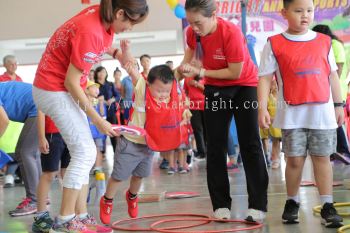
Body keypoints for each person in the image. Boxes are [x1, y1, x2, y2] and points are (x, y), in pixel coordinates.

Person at [32, 0, 149, 232]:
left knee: (86, 153)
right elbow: (71, 82)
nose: (130, 28)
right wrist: (98, 119)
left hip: (58, 88)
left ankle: (81, 216)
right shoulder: (91, 29)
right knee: (85, 152)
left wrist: (118, 53)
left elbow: (96, 45)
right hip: (53, 90)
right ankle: (65, 221)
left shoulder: (100, 15)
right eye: (131, 22)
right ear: (120, 13)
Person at [177, 0, 269, 221]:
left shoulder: (231, 33)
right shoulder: (193, 33)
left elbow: (234, 72)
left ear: (214, 15)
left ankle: (257, 205)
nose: (194, 28)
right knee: (215, 145)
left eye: (198, 22)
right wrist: (170, 77)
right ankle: (220, 205)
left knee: (250, 143)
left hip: (243, 86)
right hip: (216, 88)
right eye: (191, 23)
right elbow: (186, 64)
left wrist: (201, 73)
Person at [258, 0, 344, 228]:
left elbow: (333, 76)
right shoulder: (274, 43)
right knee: (294, 160)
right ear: (284, 13)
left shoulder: (325, 42)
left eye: (309, 11)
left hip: (322, 115)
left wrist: (339, 105)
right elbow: (265, 78)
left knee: (322, 158)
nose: (305, 16)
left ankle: (327, 205)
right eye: (298, 11)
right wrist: (262, 106)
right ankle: (292, 201)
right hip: (291, 114)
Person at [99, 64, 190, 224]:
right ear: (148, 85)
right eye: (159, 91)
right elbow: (133, 72)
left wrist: (184, 114)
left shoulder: (171, 96)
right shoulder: (142, 90)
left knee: (140, 175)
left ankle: (132, 196)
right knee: (119, 176)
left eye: (166, 91)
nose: (163, 94)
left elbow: (177, 83)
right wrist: (125, 53)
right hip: (131, 143)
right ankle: (107, 200)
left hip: (149, 145)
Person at [0, 82, 41, 217]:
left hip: (37, 106)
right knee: (32, 153)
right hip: (39, 103)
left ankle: (34, 201)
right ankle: (41, 196)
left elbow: (3, 121)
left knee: (25, 152)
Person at [312, 24, 350, 164]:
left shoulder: (334, 44)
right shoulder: (327, 44)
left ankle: (344, 150)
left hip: (335, 90)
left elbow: (338, 69)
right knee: (331, 121)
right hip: (327, 89)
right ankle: (335, 151)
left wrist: (330, 89)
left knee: (337, 120)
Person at [32, 113, 71, 232]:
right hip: (53, 134)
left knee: (68, 173)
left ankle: (67, 214)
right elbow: (40, 111)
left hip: (70, 133)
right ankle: (40, 216)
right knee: (49, 173)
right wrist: (42, 137)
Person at [94, 66, 121, 152]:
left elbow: (118, 96)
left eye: (104, 72)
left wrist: (112, 100)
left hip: (111, 112)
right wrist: (101, 101)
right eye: (100, 72)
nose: (102, 74)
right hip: (98, 114)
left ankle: (115, 152)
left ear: (106, 74)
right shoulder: (93, 85)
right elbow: (89, 99)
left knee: (113, 133)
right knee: (100, 135)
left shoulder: (110, 84)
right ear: (96, 74)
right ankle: (101, 154)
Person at [85, 80, 106, 174]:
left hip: (97, 131)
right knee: (88, 150)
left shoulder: (98, 101)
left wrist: (101, 103)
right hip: (87, 131)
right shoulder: (82, 102)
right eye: (94, 87)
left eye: (97, 88)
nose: (97, 90)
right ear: (86, 90)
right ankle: (90, 167)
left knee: (98, 148)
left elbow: (102, 114)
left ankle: (98, 167)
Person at [259, 79, 282, 169]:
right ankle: (266, 156)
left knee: (276, 141)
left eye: (276, 84)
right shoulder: (268, 97)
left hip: (278, 124)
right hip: (268, 122)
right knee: (264, 140)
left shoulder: (281, 97)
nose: (275, 86)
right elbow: (264, 110)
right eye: (273, 84)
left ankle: (275, 159)